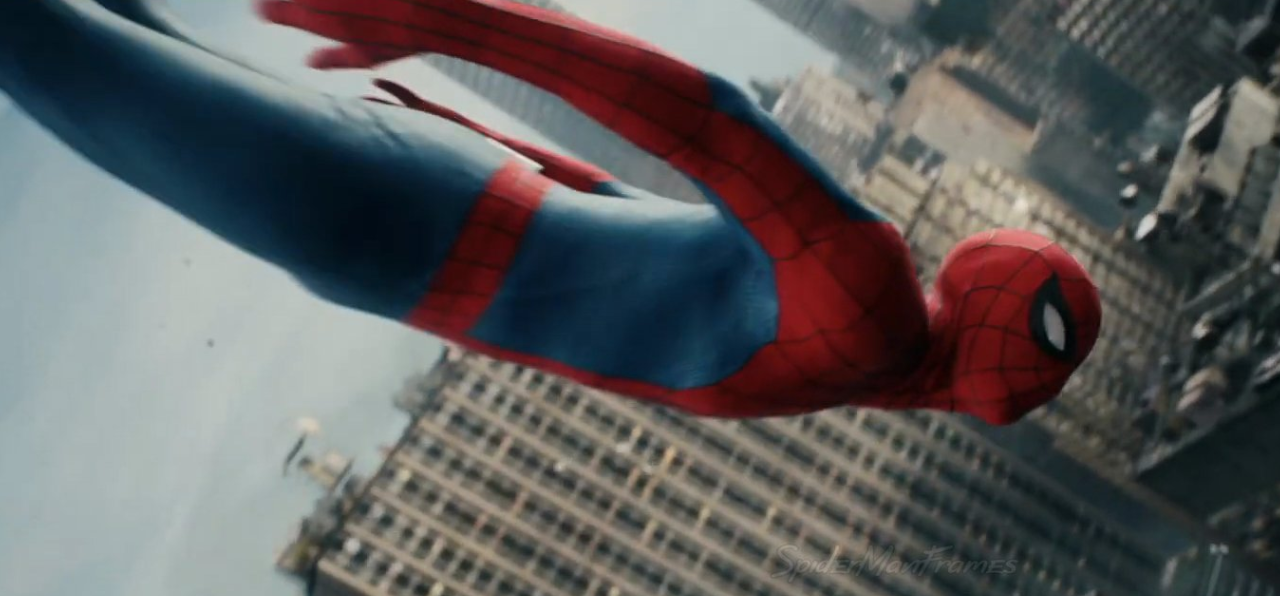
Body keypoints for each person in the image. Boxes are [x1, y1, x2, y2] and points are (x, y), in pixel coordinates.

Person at [0, 0, 1102, 423]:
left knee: (77, 42)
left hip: (403, 216)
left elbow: (657, 181)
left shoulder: (859, 337)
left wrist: (457, 74)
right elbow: (705, 127)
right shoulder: (863, 321)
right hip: (402, 221)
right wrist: (444, 24)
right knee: (45, 46)